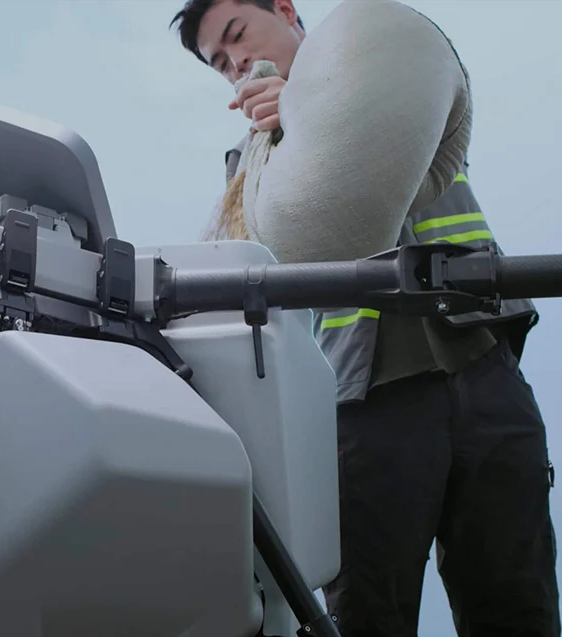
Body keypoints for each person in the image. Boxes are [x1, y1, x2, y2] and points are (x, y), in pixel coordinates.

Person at [169, 1, 561, 636]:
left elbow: (400, 129)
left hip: (483, 366)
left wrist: (307, 109)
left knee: (519, 606)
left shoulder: (390, 63)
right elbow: (275, 250)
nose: (235, 62)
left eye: (236, 35)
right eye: (219, 62)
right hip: (366, 400)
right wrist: (281, 134)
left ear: (284, 9)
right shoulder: (251, 165)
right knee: (366, 614)